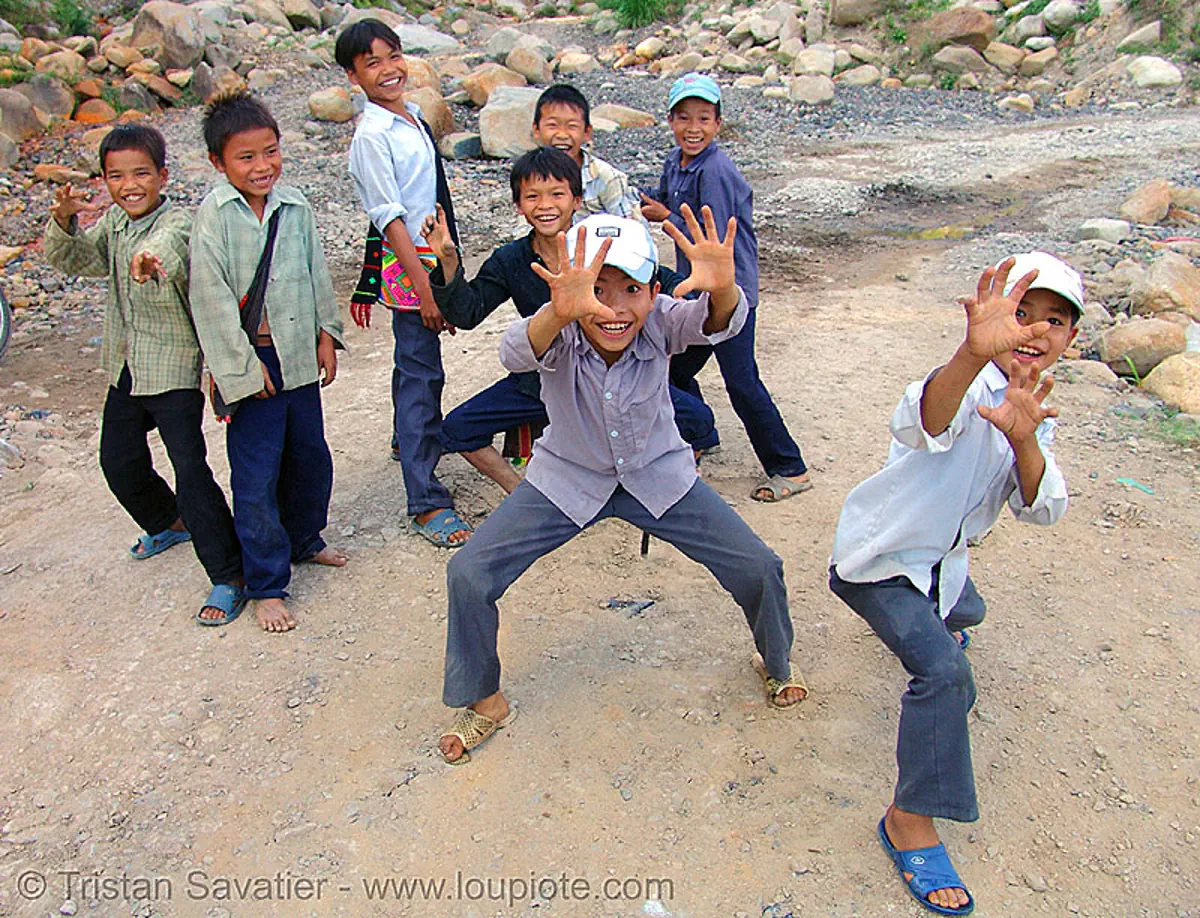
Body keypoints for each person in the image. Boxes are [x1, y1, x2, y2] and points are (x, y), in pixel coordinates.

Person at [436, 207, 807, 765]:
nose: (613, 307)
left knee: (759, 565)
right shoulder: (559, 333)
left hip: (659, 476)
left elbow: (715, 321)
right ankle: (485, 701)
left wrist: (725, 288)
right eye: (597, 288)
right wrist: (557, 313)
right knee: (469, 572)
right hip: (568, 479)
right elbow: (515, 351)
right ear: (569, 287)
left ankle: (776, 662)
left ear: (655, 293)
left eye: (631, 288)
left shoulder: (660, 321)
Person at [828, 252, 1082, 915]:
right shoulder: (964, 384)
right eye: (1020, 312)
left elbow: (1043, 507)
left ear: (1071, 340)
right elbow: (925, 419)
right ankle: (908, 818)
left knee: (964, 609)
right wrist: (971, 355)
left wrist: (1028, 441)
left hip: (942, 567)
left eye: (1053, 320)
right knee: (946, 677)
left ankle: (950, 620)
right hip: (879, 565)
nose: (1033, 330)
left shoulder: (1031, 404)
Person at [424, 145, 718, 494]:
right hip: (542, 379)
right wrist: (448, 262)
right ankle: (526, 495)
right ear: (519, 205)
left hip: (614, 377)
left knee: (700, 422)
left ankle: (647, 482)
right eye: (532, 196)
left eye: (557, 194)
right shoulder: (510, 259)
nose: (545, 205)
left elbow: (664, 286)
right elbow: (467, 313)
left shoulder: (603, 245)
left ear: (577, 200)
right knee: (458, 429)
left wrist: (705, 288)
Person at [43, 124, 246, 626]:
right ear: (106, 181)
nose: (129, 185)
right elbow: (81, 261)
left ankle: (228, 575)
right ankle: (167, 520)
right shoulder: (113, 222)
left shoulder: (179, 222)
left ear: (162, 176)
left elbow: (167, 252)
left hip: (173, 369)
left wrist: (146, 261)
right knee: (118, 461)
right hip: (126, 366)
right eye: (116, 176)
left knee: (190, 470)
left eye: (140, 174)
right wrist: (65, 223)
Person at [189, 90, 347, 633]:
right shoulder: (213, 217)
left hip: (299, 355)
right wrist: (239, 367)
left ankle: (305, 538)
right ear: (219, 163)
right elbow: (208, 302)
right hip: (251, 363)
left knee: (310, 457)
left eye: (271, 152)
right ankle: (266, 584)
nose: (263, 167)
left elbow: (316, 274)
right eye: (246, 157)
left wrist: (328, 333)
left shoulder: (295, 207)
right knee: (255, 477)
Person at [641, 72, 811, 503]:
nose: (692, 127)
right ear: (670, 120)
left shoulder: (715, 169)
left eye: (703, 118)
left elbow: (710, 238)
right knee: (674, 368)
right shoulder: (675, 161)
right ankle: (700, 432)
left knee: (741, 380)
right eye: (683, 117)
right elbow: (665, 201)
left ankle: (789, 467)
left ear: (718, 124)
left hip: (730, 296)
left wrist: (664, 217)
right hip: (698, 295)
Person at [337, 17, 472, 548]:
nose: (388, 69)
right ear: (353, 75)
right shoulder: (372, 135)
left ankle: (406, 440)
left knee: (414, 364)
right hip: (409, 263)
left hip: (430, 255)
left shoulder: (410, 115)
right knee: (421, 373)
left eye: (392, 55)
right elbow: (389, 219)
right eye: (372, 63)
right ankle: (425, 500)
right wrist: (424, 290)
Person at [531, 83, 642, 222]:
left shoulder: (606, 177)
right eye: (552, 125)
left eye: (572, 126)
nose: (562, 135)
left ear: (587, 132)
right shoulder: (531, 175)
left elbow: (630, 230)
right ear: (536, 130)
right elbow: (526, 226)